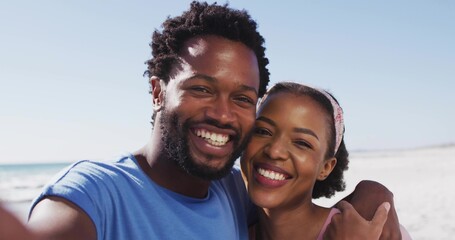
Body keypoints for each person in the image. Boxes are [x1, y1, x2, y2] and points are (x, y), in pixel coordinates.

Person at [0, 2, 401, 239]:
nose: (223, 114)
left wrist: (375, 196)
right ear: (157, 91)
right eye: (202, 89)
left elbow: (349, 202)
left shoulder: (232, 192)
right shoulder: (97, 194)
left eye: (242, 98)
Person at [241, 82, 411, 239]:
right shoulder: (231, 230)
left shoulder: (373, 234)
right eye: (263, 131)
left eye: (302, 143)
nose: (274, 151)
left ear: (326, 167)